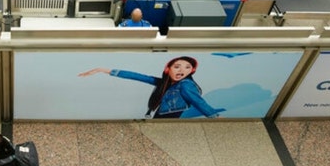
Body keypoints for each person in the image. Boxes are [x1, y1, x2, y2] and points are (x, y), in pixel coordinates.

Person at [78, 56, 224, 118]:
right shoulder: (165, 83)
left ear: (191, 71)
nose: (182, 70)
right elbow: (138, 76)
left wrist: (213, 116)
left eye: (187, 67)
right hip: (160, 117)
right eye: (177, 66)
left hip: (168, 119)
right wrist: (104, 70)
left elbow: (198, 101)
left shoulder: (185, 85)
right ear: (168, 69)